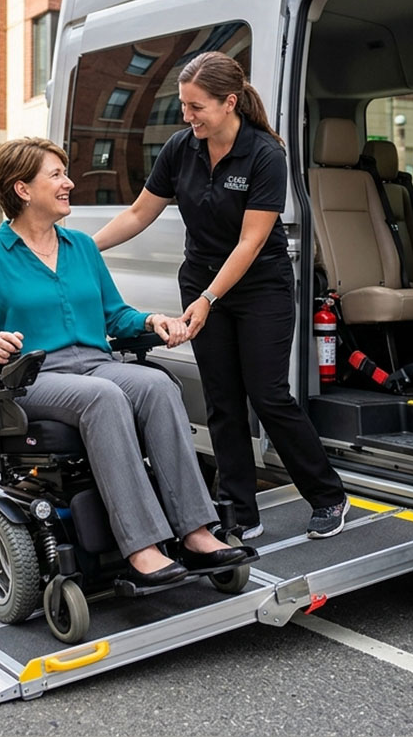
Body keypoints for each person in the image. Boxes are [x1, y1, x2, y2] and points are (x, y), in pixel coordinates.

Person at [0, 137, 249, 586]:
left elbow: (116, 315)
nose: (69, 183)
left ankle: (195, 532)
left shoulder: (81, 248)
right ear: (23, 189)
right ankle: (142, 547)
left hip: (94, 362)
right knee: (104, 398)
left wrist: (151, 320)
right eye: (56, 175)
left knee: (158, 385)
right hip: (34, 378)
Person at [93, 51, 350, 541]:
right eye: (184, 107)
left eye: (196, 108)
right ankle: (239, 508)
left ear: (229, 102)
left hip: (260, 287)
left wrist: (210, 297)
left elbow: (251, 242)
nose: (187, 117)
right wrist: (81, 247)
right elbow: (138, 213)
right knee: (222, 398)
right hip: (203, 283)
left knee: (268, 395)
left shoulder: (265, 155)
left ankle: (328, 496)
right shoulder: (180, 147)